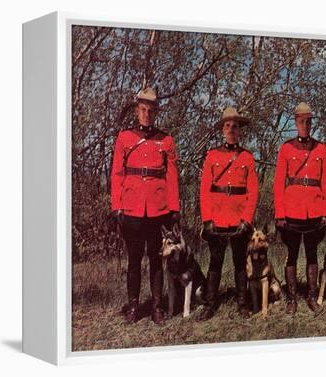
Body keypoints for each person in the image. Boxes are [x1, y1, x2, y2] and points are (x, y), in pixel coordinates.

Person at [110, 87, 180, 325]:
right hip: (131, 207)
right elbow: (118, 173)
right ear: (137, 110)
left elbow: (171, 176)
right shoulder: (125, 138)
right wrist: (116, 206)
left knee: (156, 259)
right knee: (134, 260)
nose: (147, 114)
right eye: (143, 109)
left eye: (151, 110)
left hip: (157, 208)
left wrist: (174, 208)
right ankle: (133, 307)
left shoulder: (166, 140)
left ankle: (157, 307)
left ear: (156, 112)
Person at [197, 107, 259, 321]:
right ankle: (210, 303)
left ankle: (242, 303)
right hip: (218, 216)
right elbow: (205, 189)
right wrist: (207, 219)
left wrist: (247, 220)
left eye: (235, 126)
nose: (231, 129)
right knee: (215, 261)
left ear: (240, 130)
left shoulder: (248, 157)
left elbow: (253, 191)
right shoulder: (212, 155)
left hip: (239, 217)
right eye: (227, 126)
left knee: (240, 261)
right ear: (222, 129)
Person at [273, 102, 326, 314]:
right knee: (291, 254)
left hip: (314, 210)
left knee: (312, 254)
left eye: (308, 122)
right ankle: (291, 298)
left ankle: (311, 296)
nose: (305, 125)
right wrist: (279, 214)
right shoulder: (286, 148)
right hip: (292, 210)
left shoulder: (321, 148)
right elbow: (279, 182)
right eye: (301, 121)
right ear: (296, 122)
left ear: (311, 123)